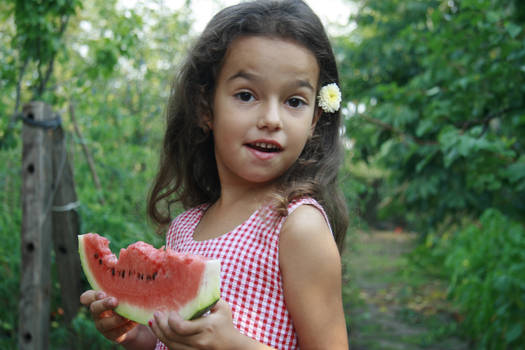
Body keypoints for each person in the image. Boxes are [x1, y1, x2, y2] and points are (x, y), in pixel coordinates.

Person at [80, 0, 349, 349]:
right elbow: (172, 338)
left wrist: (231, 344)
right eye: (246, 95)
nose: (271, 118)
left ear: (314, 120)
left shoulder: (297, 227)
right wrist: (130, 331)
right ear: (205, 108)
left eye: (294, 101)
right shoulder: (185, 226)